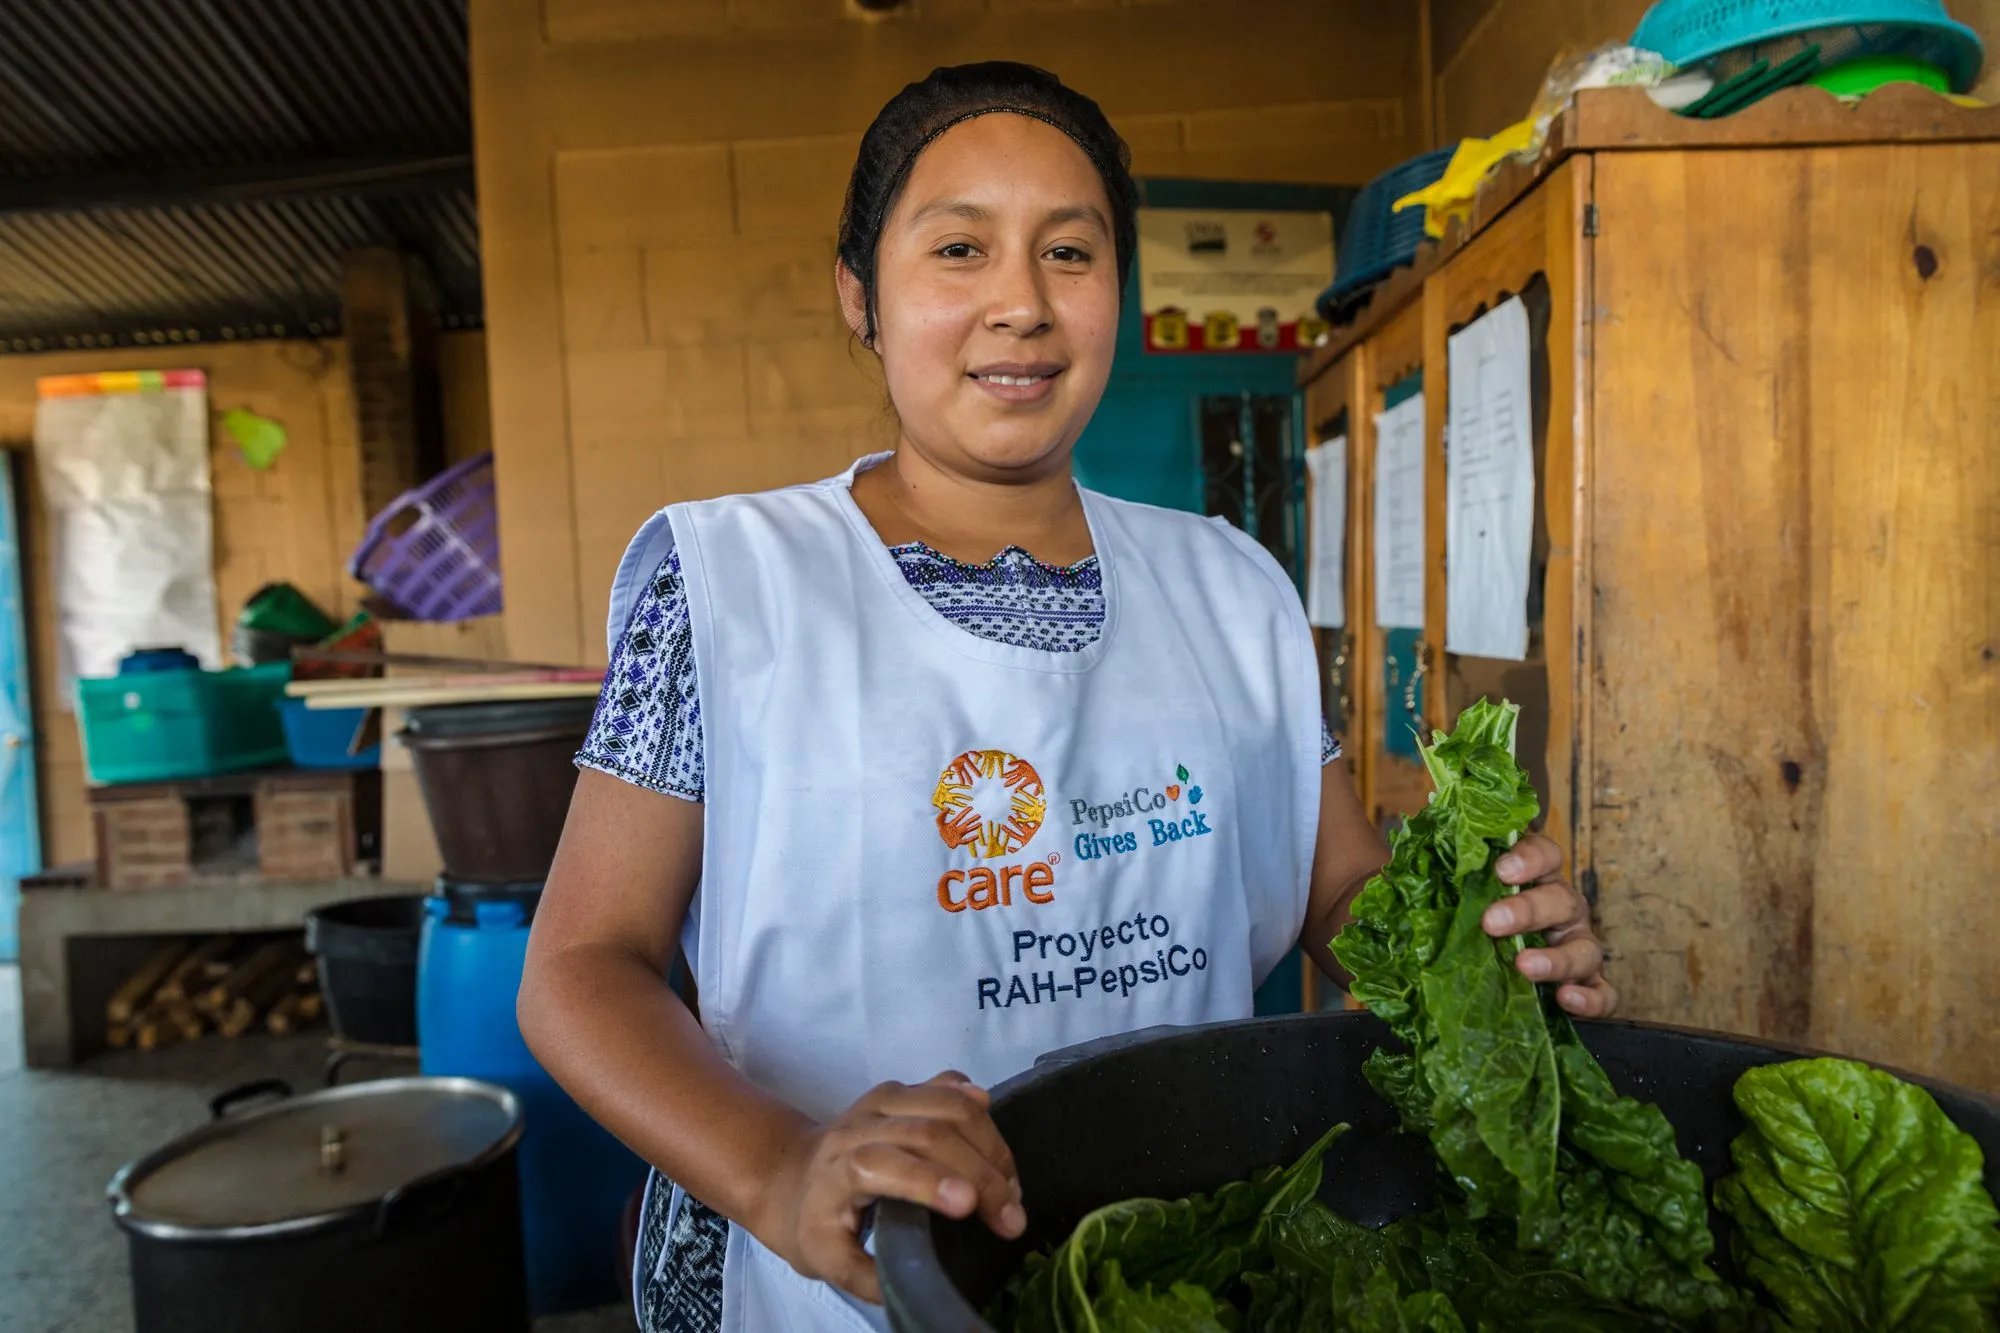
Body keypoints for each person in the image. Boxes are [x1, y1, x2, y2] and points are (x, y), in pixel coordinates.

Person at [519, 61, 1616, 1333]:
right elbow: (582, 968)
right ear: (859, 295)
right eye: (957, 250)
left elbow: (1334, 893)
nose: (1020, 306)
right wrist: (778, 1167)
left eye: (1069, 253)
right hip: (838, 1288)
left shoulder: (1229, 585)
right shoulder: (729, 585)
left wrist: (1473, 944)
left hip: (1167, 1268)